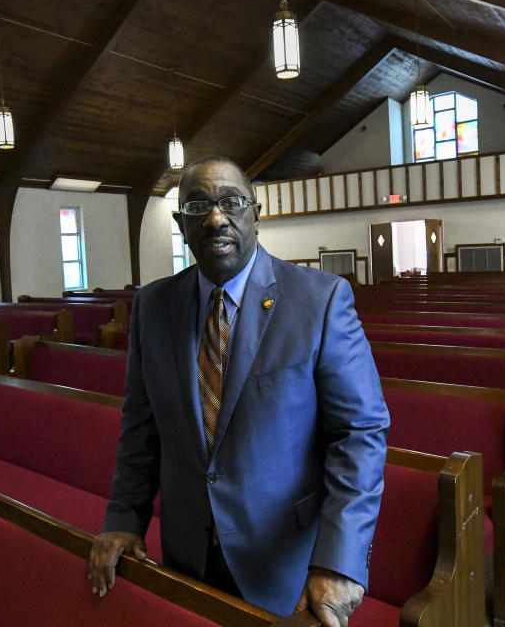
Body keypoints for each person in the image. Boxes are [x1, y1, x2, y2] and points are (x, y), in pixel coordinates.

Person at [88, 155, 389, 626]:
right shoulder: (153, 305)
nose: (215, 218)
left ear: (256, 211)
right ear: (180, 224)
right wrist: (125, 518)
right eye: (197, 207)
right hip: (187, 551)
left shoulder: (320, 299)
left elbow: (360, 435)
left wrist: (338, 561)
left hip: (282, 558)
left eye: (231, 202)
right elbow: (141, 429)